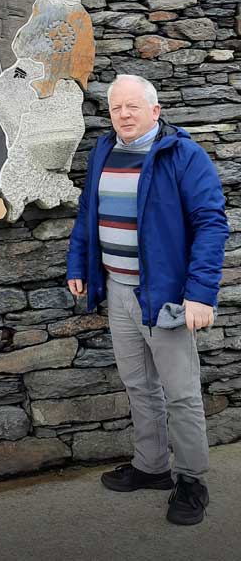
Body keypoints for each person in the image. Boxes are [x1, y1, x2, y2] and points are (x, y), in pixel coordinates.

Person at [66, 73, 229, 526]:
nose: (124, 114)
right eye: (117, 108)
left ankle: (192, 481)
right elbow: (88, 213)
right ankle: (152, 466)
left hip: (166, 297)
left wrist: (200, 294)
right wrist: (79, 265)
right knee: (138, 385)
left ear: (155, 111)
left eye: (133, 107)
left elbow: (211, 224)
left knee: (180, 393)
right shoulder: (104, 151)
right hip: (117, 289)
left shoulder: (184, 156)